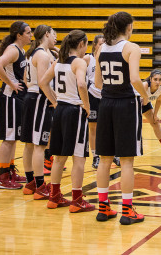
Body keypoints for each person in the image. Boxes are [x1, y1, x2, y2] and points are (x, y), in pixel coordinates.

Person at [94, 11, 149, 225]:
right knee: (126, 161)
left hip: (106, 103)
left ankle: (103, 208)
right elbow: (135, 78)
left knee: (105, 159)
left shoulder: (101, 48)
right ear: (128, 27)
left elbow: (98, 83)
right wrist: (144, 97)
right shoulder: (131, 48)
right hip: (126, 104)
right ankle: (127, 210)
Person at [40, 29, 95, 213]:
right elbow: (81, 84)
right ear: (81, 44)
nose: (86, 49)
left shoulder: (58, 62)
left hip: (61, 110)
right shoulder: (78, 62)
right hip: (74, 110)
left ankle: (54, 196)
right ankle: (77, 200)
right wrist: (87, 106)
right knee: (79, 157)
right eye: (86, 45)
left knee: (59, 157)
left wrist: (55, 101)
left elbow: (43, 82)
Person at [0, 21, 31, 189]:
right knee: (8, 138)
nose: (31, 35)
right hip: (9, 98)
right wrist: (12, 84)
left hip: (18, 99)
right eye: (28, 33)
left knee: (14, 137)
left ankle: (10, 171)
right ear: (19, 35)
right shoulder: (13, 50)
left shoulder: (21, 50)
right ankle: (2, 176)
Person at [20, 25, 57, 199]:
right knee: (39, 145)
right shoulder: (42, 55)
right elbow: (44, 83)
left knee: (29, 144)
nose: (55, 37)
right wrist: (54, 101)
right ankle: (40, 185)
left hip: (30, 97)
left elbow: (27, 80)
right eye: (53, 34)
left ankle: (31, 182)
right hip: (39, 99)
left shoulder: (32, 53)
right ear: (47, 34)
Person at [84, 34, 105, 169]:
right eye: (100, 43)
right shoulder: (88, 58)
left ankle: (112, 154)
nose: (103, 46)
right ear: (95, 45)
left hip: (106, 96)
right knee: (93, 127)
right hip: (92, 95)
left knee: (108, 127)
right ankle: (95, 156)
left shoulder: (107, 57)